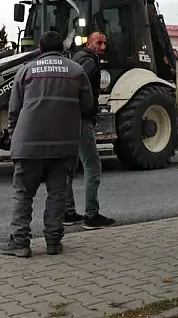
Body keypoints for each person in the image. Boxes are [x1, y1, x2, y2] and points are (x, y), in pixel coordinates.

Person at [0, 31, 94, 258]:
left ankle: (20, 242)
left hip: (28, 145)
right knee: (57, 194)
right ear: (63, 48)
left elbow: (14, 110)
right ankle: (53, 242)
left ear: (40, 47)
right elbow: (88, 106)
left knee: (23, 194)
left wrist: (15, 136)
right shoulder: (77, 72)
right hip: (63, 146)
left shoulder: (26, 71)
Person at [65, 32, 117, 229]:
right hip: (81, 119)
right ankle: (91, 215)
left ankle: (67, 212)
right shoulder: (89, 63)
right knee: (92, 166)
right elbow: (80, 87)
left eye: (104, 43)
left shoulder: (76, 58)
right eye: (99, 43)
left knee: (69, 166)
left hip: (68, 119)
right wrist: (88, 109)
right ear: (89, 44)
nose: (103, 47)